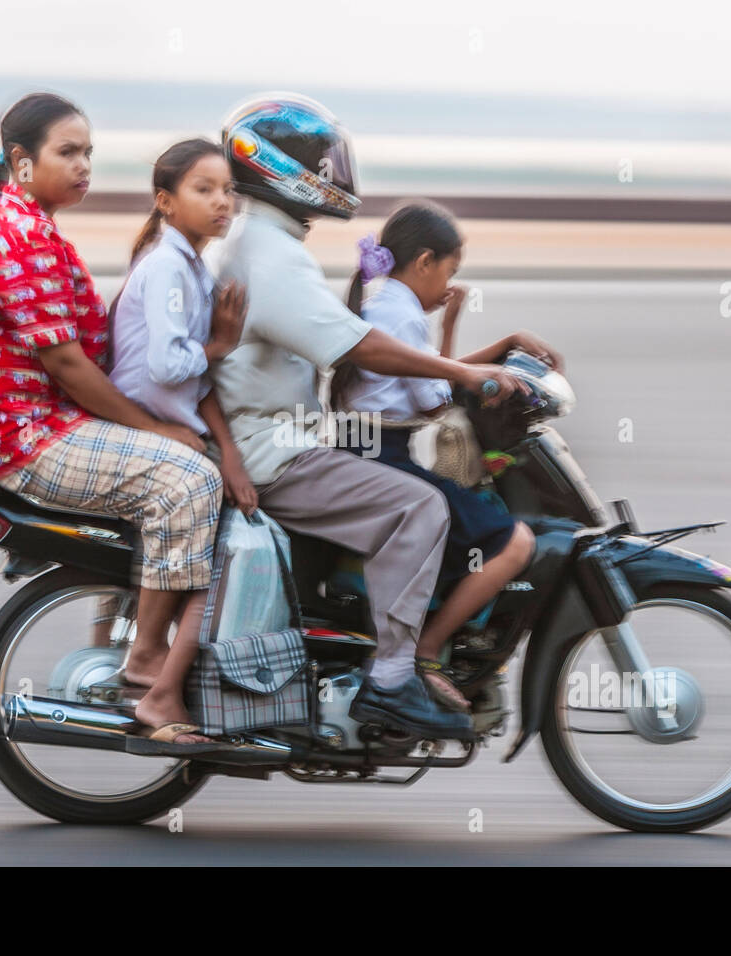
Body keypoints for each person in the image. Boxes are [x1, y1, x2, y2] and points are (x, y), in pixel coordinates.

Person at [203, 93, 526, 741]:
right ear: (275, 167)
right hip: (273, 451)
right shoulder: (270, 252)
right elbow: (358, 346)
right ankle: (392, 677)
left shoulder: (259, 242)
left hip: (271, 439)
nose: (330, 175)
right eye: (318, 164)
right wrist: (462, 373)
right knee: (420, 508)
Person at [0, 93, 221, 746]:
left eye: (88, 152)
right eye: (69, 152)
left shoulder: (32, 222)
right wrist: (158, 429)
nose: (84, 165)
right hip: (23, 431)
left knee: (169, 476)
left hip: (42, 419)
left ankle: (111, 641)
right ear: (21, 162)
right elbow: (67, 365)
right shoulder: (19, 234)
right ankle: (145, 664)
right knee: (188, 481)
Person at [332, 200, 565, 711]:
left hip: (360, 453)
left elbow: (428, 371)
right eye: (449, 272)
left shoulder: (384, 303)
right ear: (423, 262)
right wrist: (486, 374)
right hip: (384, 461)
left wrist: (499, 345)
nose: (448, 285)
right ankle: (428, 649)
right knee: (514, 543)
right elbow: (437, 397)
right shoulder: (403, 313)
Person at [106, 137, 257, 713]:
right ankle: (149, 655)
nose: (223, 202)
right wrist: (219, 343)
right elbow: (171, 366)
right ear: (165, 201)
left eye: (228, 191)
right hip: (143, 427)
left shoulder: (194, 266)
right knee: (228, 538)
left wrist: (232, 454)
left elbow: (197, 385)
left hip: (169, 422)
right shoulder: (170, 266)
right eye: (205, 189)